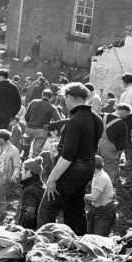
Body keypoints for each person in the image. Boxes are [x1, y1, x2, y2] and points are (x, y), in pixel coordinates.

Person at [37, 82, 104, 235]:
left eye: (64, 98)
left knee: (47, 208)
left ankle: (42, 243)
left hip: (72, 169)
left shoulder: (75, 121)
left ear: (69, 97)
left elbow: (68, 156)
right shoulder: (96, 118)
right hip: (88, 166)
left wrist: (52, 179)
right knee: (75, 208)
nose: (64, 102)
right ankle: (77, 243)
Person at [23, 88, 61, 158]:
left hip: (29, 128)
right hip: (42, 130)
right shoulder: (52, 107)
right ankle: (33, 165)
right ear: (51, 97)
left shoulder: (33, 102)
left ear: (42, 95)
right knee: (36, 153)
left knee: (26, 146)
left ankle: (24, 159)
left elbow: (26, 117)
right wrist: (53, 128)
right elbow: (59, 121)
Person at [98, 103, 130, 183]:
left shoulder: (101, 116)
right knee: (109, 167)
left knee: (96, 165)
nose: (126, 116)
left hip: (97, 143)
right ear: (123, 111)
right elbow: (122, 140)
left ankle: (94, 183)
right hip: (109, 147)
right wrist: (119, 152)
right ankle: (108, 186)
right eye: (127, 114)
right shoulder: (121, 124)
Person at [85, 155, 116, 236]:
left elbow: (94, 197)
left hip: (104, 212)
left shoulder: (101, 178)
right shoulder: (97, 175)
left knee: (99, 237)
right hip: (96, 209)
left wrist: (81, 195)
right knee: (90, 235)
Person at [117, 73, 132, 168]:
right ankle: (128, 159)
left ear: (124, 82)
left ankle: (128, 160)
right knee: (126, 138)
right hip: (131, 116)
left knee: (124, 138)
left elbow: (124, 108)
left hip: (126, 116)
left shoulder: (128, 93)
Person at [17, 158, 44, 230]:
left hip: (31, 231)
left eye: (22, 170)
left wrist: (22, 231)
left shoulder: (30, 191)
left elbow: (28, 215)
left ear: (29, 172)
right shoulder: (40, 187)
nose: (21, 173)